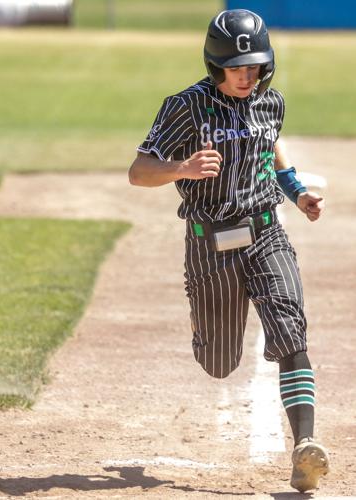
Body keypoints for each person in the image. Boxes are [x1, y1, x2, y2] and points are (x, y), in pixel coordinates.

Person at [128, 9, 329, 493]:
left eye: (254, 67)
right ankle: (205, 324)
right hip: (210, 243)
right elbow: (139, 171)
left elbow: (270, 147)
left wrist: (297, 192)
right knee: (219, 362)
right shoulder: (186, 107)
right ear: (216, 66)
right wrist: (183, 168)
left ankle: (305, 447)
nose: (246, 75)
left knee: (290, 329)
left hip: (265, 233)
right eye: (236, 68)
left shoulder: (269, 102)